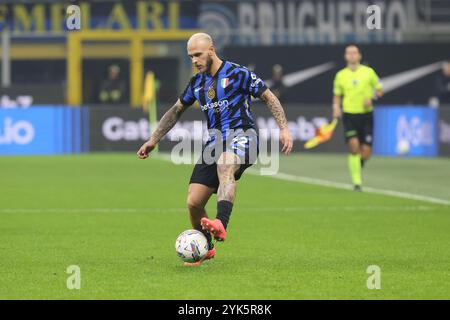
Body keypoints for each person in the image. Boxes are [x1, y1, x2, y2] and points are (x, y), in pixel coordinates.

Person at [137, 33, 293, 266]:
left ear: (211, 50)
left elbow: (268, 97)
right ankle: (206, 248)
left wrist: (284, 128)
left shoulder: (238, 74)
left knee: (225, 163)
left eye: (198, 55)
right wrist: (154, 139)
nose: (194, 60)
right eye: (190, 56)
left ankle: (221, 222)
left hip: (243, 136)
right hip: (214, 143)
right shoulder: (197, 83)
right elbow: (176, 110)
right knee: (193, 203)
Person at [332, 45, 383, 192]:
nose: (352, 55)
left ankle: (358, 164)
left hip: (366, 115)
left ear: (359, 56)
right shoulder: (340, 75)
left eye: (355, 53)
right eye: (349, 53)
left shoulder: (369, 72)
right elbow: (337, 95)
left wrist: (372, 98)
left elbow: (380, 89)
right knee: (354, 147)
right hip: (349, 115)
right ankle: (357, 182)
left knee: (366, 152)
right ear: (345, 56)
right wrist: (336, 107)